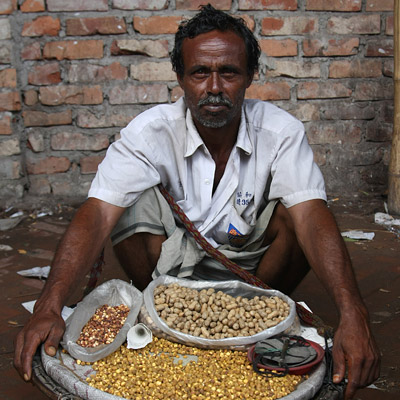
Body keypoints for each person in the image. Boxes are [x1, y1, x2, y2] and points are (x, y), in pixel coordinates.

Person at [14, 5, 379, 399]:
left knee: (301, 210)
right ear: (181, 78)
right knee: (125, 203)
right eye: (200, 73)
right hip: (167, 272)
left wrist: (353, 314)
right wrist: (49, 306)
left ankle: (255, 319)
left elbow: (312, 216)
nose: (215, 87)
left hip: (253, 271)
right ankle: (162, 311)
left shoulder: (280, 132)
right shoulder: (150, 133)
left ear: (250, 77)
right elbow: (98, 213)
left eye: (229, 72)